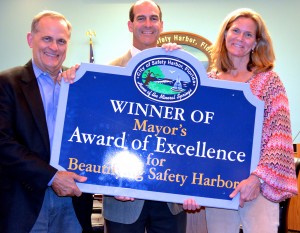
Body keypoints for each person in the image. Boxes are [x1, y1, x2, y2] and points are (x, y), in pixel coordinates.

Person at [60, 1, 200, 232]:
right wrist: (73, 79)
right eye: (141, 18)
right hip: (122, 197)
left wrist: (185, 62)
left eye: (153, 18)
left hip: (170, 199)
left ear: (161, 25)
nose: (148, 24)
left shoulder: (182, 70)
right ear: (130, 24)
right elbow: (96, 134)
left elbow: (195, 128)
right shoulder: (108, 73)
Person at [204, 8, 298, 233]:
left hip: (259, 187)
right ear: (225, 34)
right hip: (216, 185)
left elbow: (279, 136)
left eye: (248, 35)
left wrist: (257, 178)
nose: (240, 38)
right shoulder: (208, 82)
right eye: (235, 31)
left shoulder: (269, 83)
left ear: (256, 43)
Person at [0, 10, 94, 233]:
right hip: (25, 202)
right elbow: (3, 143)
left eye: (61, 41)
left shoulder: (79, 84)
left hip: (74, 202)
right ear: (31, 40)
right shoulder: (7, 83)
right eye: (47, 39)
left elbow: (99, 136)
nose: (54, 47)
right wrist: (51, 177)